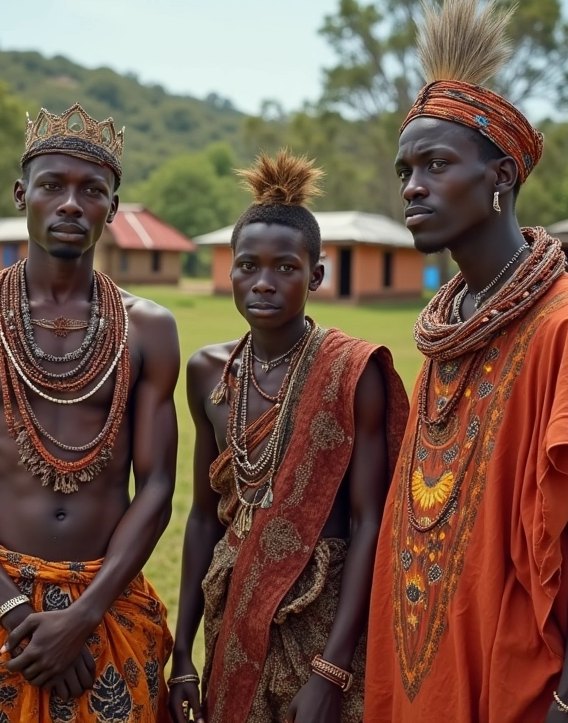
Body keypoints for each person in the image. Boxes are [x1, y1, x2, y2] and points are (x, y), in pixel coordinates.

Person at [364, 0, 568, 723]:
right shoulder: (450, 330)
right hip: (433, 666)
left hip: (526, 683)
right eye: (404, 171)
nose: (413, 187)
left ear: (500, 180)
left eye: (436, 165)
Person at [0, 103, 178, 723]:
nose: (71, 204)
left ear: (113, 209)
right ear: (21, 195)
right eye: (52, 186)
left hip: (107, 599)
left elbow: (159, 486)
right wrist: (13, 609)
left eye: (93, 190)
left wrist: (84, 615)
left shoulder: (148, 328)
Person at [168, 149, 409, 723]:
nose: (264, 283)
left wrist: (331, 670)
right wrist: (182, 651)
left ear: (316, 275)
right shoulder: (209, 372)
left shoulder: (352, 372)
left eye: (286, 267)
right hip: (237, 609)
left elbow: (368, 520)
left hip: (323, 617)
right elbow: (204, 517)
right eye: (248, 265)